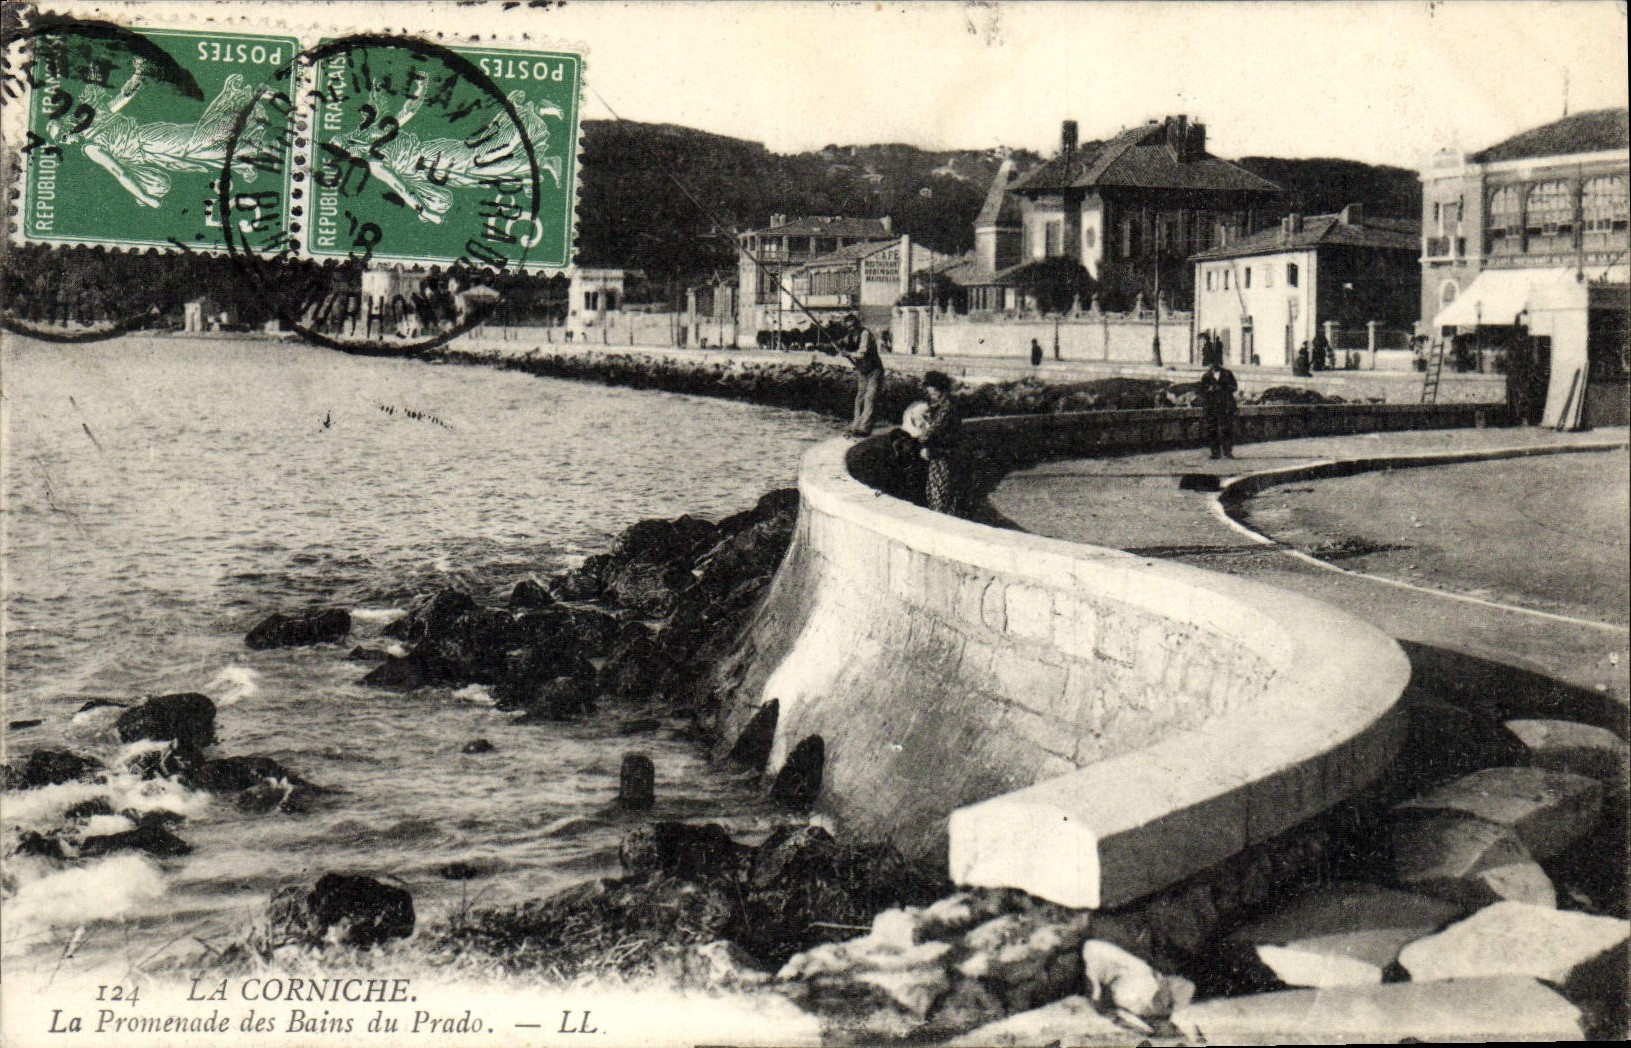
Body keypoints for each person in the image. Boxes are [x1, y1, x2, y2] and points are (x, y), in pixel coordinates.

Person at [916, 371, 962, 514]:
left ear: (940, 389)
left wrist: (921, 436)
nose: (931, 395)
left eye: (933, 392)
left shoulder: (946, 407)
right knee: (943, 490)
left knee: (940, 491)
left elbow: (934, 429)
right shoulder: (946, 405)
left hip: (943, 453)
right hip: (944, 452)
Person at [841, 315, 884, 436]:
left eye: (853, 325)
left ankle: (865, 428)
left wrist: (847, 353)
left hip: (874, 370)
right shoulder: (849, 337)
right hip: (862, 371)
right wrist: (826, 347)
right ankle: (856, 425)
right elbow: (840, 344)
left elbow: (862, 353)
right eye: (848, 326)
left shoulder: (865, 334)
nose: (851, 328)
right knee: (859, 398)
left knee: (870, 398)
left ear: (858, 324)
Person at [1199, 358, 1239, 459]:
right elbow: (1202, 391)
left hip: (1225, 406)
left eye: (1215, 362)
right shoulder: (1206, 376)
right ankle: (1215, 453)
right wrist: (1209, 389)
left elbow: (1234, 387)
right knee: (1212, 430)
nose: (1212, 365)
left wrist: (1223, 388)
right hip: (1212, 406)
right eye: (1210, 363)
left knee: (1226, 429)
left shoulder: (1227, 373)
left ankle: (1227, 452)